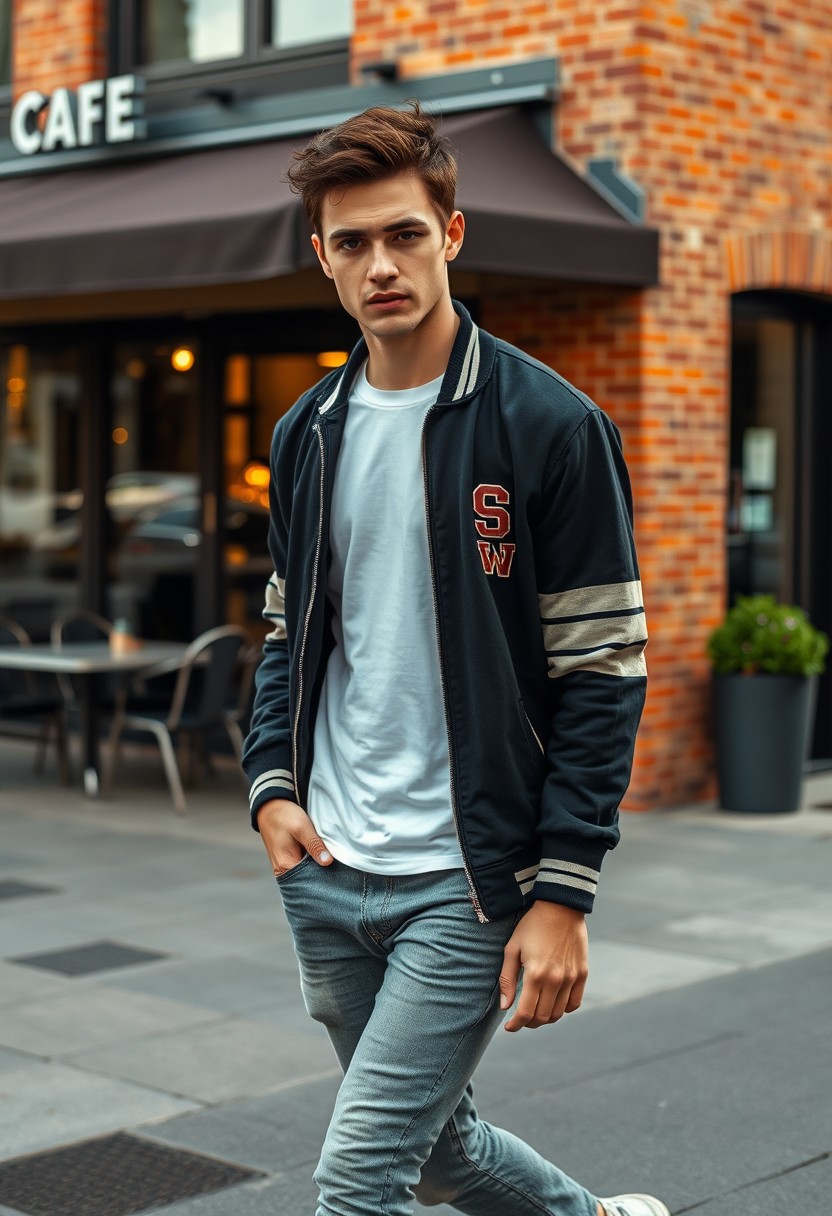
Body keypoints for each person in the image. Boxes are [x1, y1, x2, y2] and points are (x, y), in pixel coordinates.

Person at [243, 101, 663, 1216]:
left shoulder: (548, 423)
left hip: (466, 878)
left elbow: (603, 667)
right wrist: (270, 789)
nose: (382, 264)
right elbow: (292, 628)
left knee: (358, 1175)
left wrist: (563, 889)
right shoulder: (308, 433)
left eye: (405, 235)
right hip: (326, 863)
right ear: (321, 256)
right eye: (353, 243)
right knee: (437, 1146)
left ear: (452, 234)